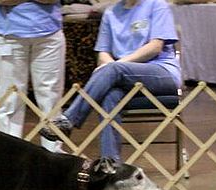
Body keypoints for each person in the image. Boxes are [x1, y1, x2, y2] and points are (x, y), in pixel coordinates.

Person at [40, 0, 181, 161]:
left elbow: (155, 47)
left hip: (161, 72)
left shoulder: (157, 5)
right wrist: (112, 67)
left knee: (112, 70)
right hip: (124, 77)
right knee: (109, 96)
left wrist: (116, 66)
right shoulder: (111, 13)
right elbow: (103, 54)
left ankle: (69, 120)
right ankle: (111, 164)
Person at [0, 0, 66, 152]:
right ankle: (10, 154)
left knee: (51, 96)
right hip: (9, 35)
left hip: (49, 34)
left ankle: (54, 154)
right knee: (10, 99)